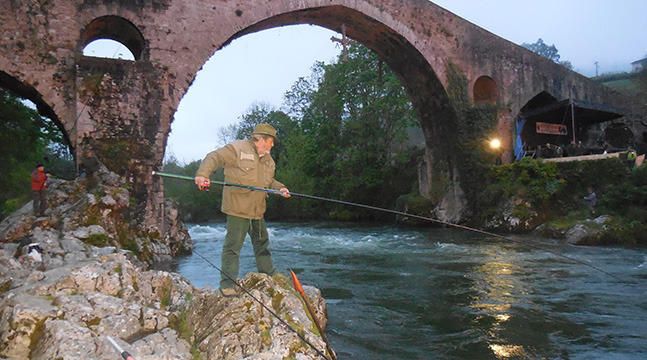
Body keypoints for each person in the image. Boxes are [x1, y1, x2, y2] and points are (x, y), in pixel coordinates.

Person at [194, 123, 290, 297]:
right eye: (270, 141)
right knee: (233, 248)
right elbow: (214, 157)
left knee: (262, 244)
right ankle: (227, 284)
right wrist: (203, 174)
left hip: (257, 210)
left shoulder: (269, 161)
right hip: (237, 209)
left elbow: (269, 182)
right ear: (260, 139)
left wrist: (281, 188)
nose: (272, 145)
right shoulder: (237, 149)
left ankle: (269, 273)